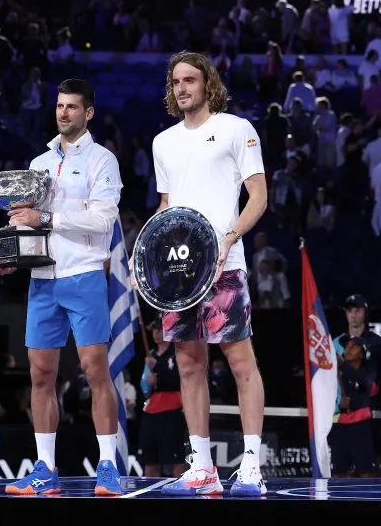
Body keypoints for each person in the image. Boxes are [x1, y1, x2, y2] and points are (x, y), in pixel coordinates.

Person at [133, 51, 268, 496]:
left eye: (190, 79)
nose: (183, 88)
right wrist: (146, 263)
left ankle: (251, 467)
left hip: (224, 266)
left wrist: (229, 238)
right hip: (178, 276)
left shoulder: (236, 129)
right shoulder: (163, 142)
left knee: (240, 363)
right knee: (189, 366)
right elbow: (167, 209)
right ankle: (204, 468)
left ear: (208, 83)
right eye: (176, 82)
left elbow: (259, 197)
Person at [0, 78, 125, 496]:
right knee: (41, 375)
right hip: (43, 279)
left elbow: (102, 220)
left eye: (72, 107)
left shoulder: (103, 161)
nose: (63, 112)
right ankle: (45, 469)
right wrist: (9, 256)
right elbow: (23, 219)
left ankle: (108, 467)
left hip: (84, 274)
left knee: (95, 371)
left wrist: (46, 219)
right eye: (59, 106)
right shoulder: (39, 163)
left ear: (89, 113)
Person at [137, 318, 188, 478]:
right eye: (154, 330)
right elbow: (145, 389)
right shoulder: (150, 356)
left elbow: (183, 379)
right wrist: (149, 380)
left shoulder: (177, 352)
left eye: (159, 329)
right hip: (151, 411)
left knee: (177, 457)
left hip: (173, 409)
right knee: (150, 459)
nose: (156, 333)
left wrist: (160, 373)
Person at [331, 336, 379, 477]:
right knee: (338, 472)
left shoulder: (370, 372)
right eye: (346, 346)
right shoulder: (334, 372)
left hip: (360, 427)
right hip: (339, 426)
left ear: (363, 353)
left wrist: (344, 365)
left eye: (354, 346)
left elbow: (366, 385)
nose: (348, 349)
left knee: (366, 472)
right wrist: (338, 403)